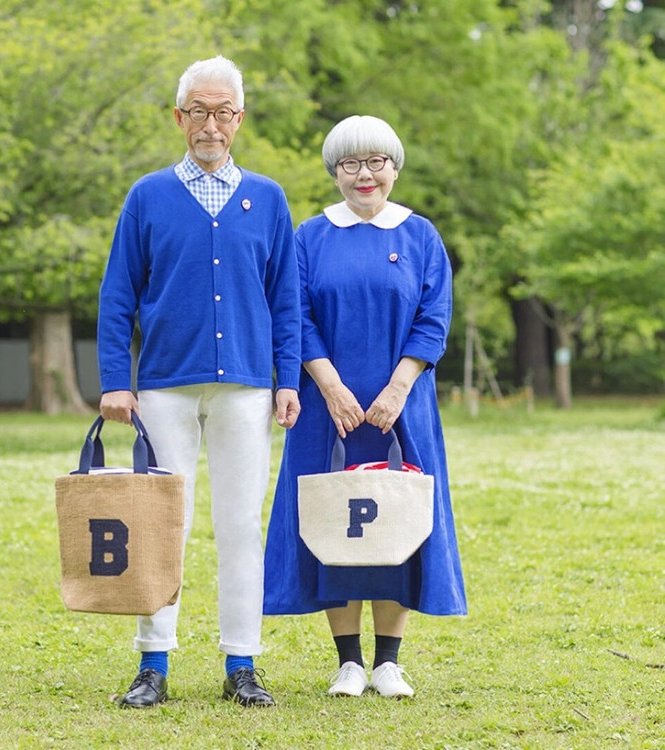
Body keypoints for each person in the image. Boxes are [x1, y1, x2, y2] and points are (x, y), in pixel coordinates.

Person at [97, 55, 301, 708]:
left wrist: (287, 378)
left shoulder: (267, 200)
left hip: (245, 384)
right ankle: (153, 663)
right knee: (162, 525)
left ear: (239, 120)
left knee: (242, 524)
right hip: (162, 386)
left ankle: (242, 662)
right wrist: (114, 381)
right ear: (180, 117)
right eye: (198, 112)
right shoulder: (148, 196)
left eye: (223, 112)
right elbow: (116, 297)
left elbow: (287, 299)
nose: (210, 124)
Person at [263, 115, 466, 699]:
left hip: (403, 405)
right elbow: (294, 318)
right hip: (331, 407)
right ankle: (348, 661)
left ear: (395, 167)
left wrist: (398, 389)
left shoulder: (421, 235)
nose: (364, 175)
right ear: (334, 173)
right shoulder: (310, 236)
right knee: (335, 520)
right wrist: (329, 388)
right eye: (350, 164)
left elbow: (434, 319)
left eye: (376, 162)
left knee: (401, 516)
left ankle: (389, 662)